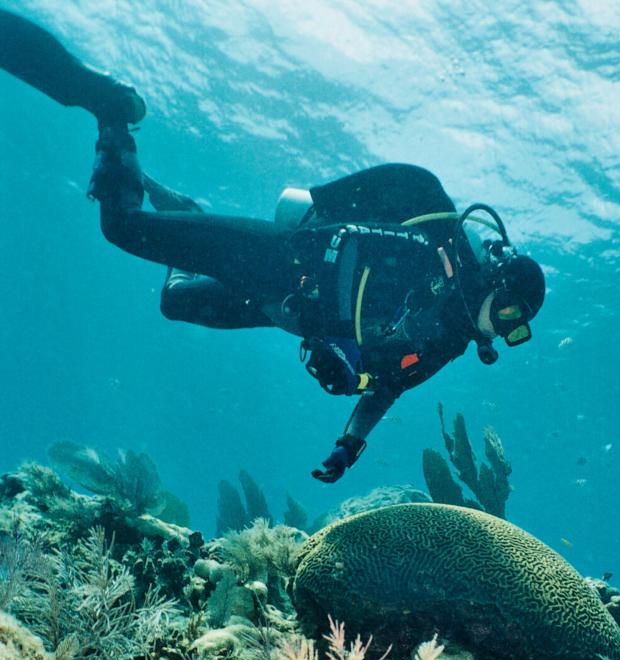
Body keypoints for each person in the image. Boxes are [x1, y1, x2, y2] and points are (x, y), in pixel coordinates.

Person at [1, 10, 545, 484]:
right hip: (284, 260)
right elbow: (350, 246)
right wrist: (336, 344)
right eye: (507, 314)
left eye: (513, 332)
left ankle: (186, 211)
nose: (501, 330)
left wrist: (349, 444)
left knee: (175, 302)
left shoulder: (450, 337)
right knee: (122, 228)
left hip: (281, 310)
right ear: (494, 283)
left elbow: (388, 387)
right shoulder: (433, 252)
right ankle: (110, 108)